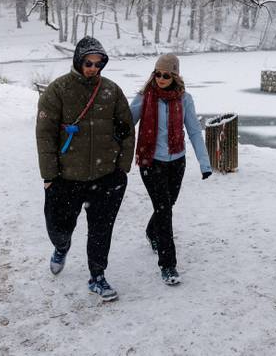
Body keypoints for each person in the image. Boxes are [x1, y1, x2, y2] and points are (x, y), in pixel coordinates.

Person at [36, 36, 135, 302]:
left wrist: (122, 168)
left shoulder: (111, 91)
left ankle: (97, 276)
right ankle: (61, 246)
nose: (93, 68)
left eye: (98, 63)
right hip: (66, 178)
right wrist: (49, 175)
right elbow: (45, 135)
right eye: (88, 63)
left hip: (106, 177)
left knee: (101, 230)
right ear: (78, 61)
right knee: (58, 226)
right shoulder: (58, 90)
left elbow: (127, 130)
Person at [130, 53, 212, 286]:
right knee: (164, 210)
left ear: (175, 76)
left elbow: (194, 131)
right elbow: (125, 124)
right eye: (158, 74)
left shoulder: (185, 99)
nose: (161, 79)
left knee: (167, 204)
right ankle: (168, 265)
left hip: (177, 161)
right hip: (151, 161)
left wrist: (204, 163)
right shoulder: (144, 97)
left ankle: (151, 231)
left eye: (166, 75)